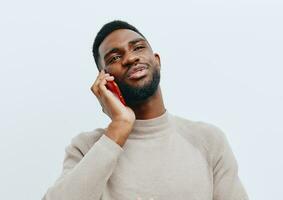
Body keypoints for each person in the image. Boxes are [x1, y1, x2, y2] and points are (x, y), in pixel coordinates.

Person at [42, 20, 249, 200]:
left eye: (138, 47)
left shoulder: (208, 140)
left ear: (157, 61)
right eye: (114, 58)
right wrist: (119, 127)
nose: (131, 58)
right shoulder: (87, 148)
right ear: (104, 81)